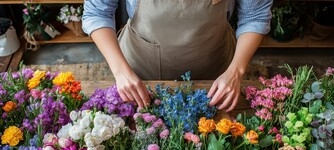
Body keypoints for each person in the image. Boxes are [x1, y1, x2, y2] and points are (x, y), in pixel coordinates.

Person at [83, 0, 272, 112]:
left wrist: (235, 72)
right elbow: (97, 13)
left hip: (216, 74)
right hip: (138, 72)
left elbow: (254, 16)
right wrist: (121, 72)